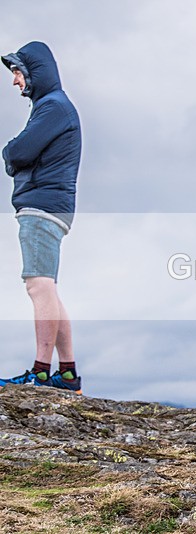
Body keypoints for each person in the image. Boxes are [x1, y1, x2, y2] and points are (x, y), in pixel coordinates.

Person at [0, 42, 82, 394]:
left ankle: (41, 373)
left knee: (38, 285)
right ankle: (67, 374)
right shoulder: (53, 107)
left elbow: (17, 151)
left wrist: (9, 152)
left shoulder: (52, 108)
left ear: (35, 72)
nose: (15, 81)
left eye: (18, 72)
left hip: (41, 204)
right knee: (48, 287)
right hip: (54, 204)